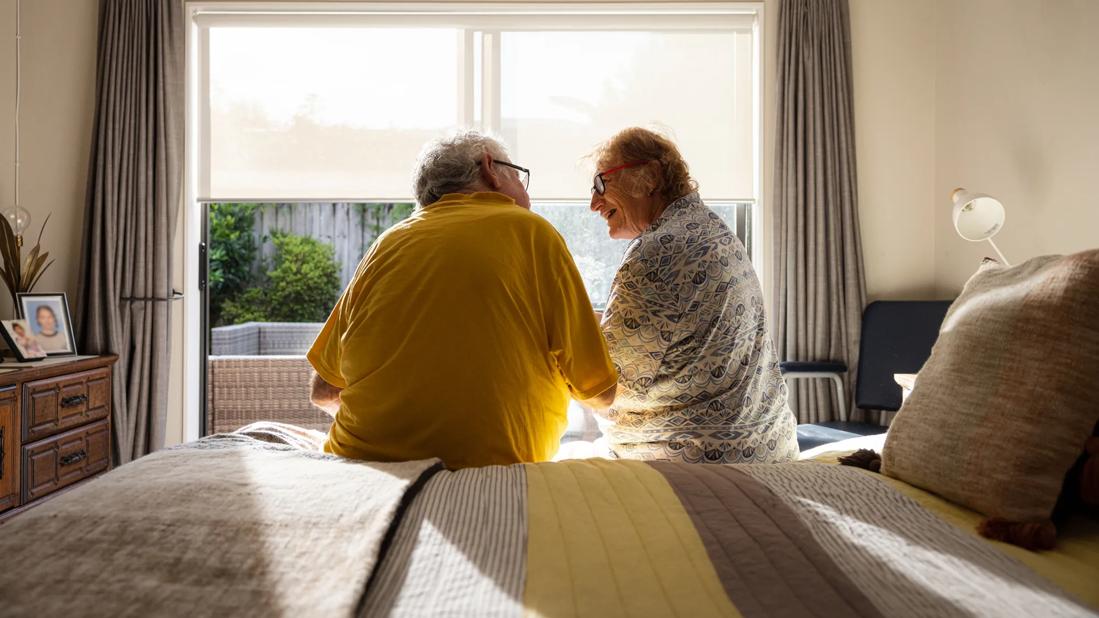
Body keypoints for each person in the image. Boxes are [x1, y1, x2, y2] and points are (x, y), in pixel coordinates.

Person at [307, 131, 617, 468]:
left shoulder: (387, 244)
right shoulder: (532, 232)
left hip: (361, 465)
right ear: (490, 168)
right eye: (519, 176)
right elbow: (599, 392)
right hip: (493, 467)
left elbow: (323, 391)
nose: (527, 194)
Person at [588, 127, 798, 464]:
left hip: (704, 465)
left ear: (650, 176)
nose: (593, 203)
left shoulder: (656, 252)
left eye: (601, 183)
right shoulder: (711, 229)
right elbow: (658, 333)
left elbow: (604, 388)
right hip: (770, 452)